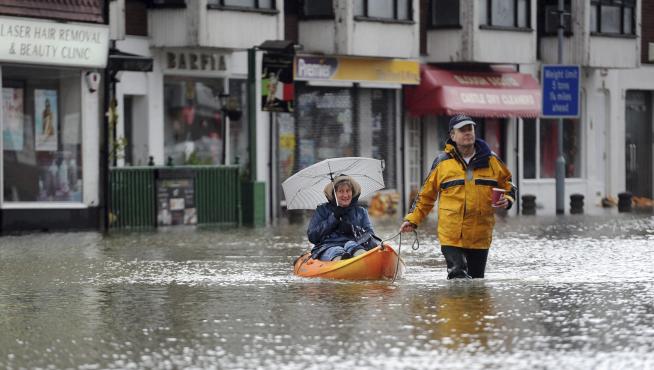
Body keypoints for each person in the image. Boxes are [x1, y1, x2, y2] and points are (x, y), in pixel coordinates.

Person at [399, 114, 516, 279]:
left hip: (480, 235)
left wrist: (508, 199)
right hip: (451, 235)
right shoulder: (442, 163)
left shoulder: (491, 160)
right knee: (458, 274)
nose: (467, 132)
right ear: (453, 136)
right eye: (462, 130)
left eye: (470, 129)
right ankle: (455, 304)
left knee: (476, 283)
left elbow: (509, 184)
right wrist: (412, 220)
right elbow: (426, 196)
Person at [307, 175, 380, 261]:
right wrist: (333, 218)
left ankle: (362, 259)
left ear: (352, 193)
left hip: (355, 245)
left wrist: (353, 228)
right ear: (334, 194)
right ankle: (341, 261)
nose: (345, 195)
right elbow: (312, 236)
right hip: (328, 247)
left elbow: (370, 235)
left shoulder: (361, 212)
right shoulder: (321, 210)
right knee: (336, 250)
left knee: (351, 245)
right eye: (341, 191)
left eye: (348, 191)